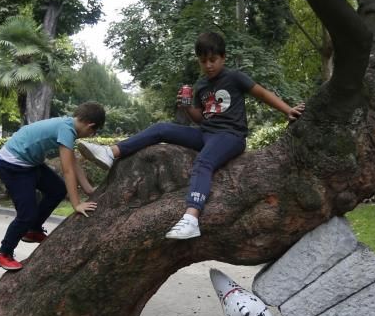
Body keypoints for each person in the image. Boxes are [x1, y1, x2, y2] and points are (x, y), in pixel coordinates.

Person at [76, 31, 304, 240]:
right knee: (161, 128)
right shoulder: (202, 85)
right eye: (203, 61)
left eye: (212, 60)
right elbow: (201, 118)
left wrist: (287, 110)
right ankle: (111, 152)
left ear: (223, 57)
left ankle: (192, 217)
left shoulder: (235, 77)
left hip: (230, 136)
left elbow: (262, 93)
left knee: (203, 162)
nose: (208, 65)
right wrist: (186, 107)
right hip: (207, 132)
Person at [0, 102, 106, 271]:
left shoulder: (68, 125)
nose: (90, 135)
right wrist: (76, 204)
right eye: (93, 132)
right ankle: (3, 254)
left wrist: (88, 189)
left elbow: (72, 161)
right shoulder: (67, 129)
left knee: (57, 189)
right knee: (26, 214)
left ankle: (32, 230)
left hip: (30, 164)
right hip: (12, 165)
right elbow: (67, 170)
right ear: (90, 125)